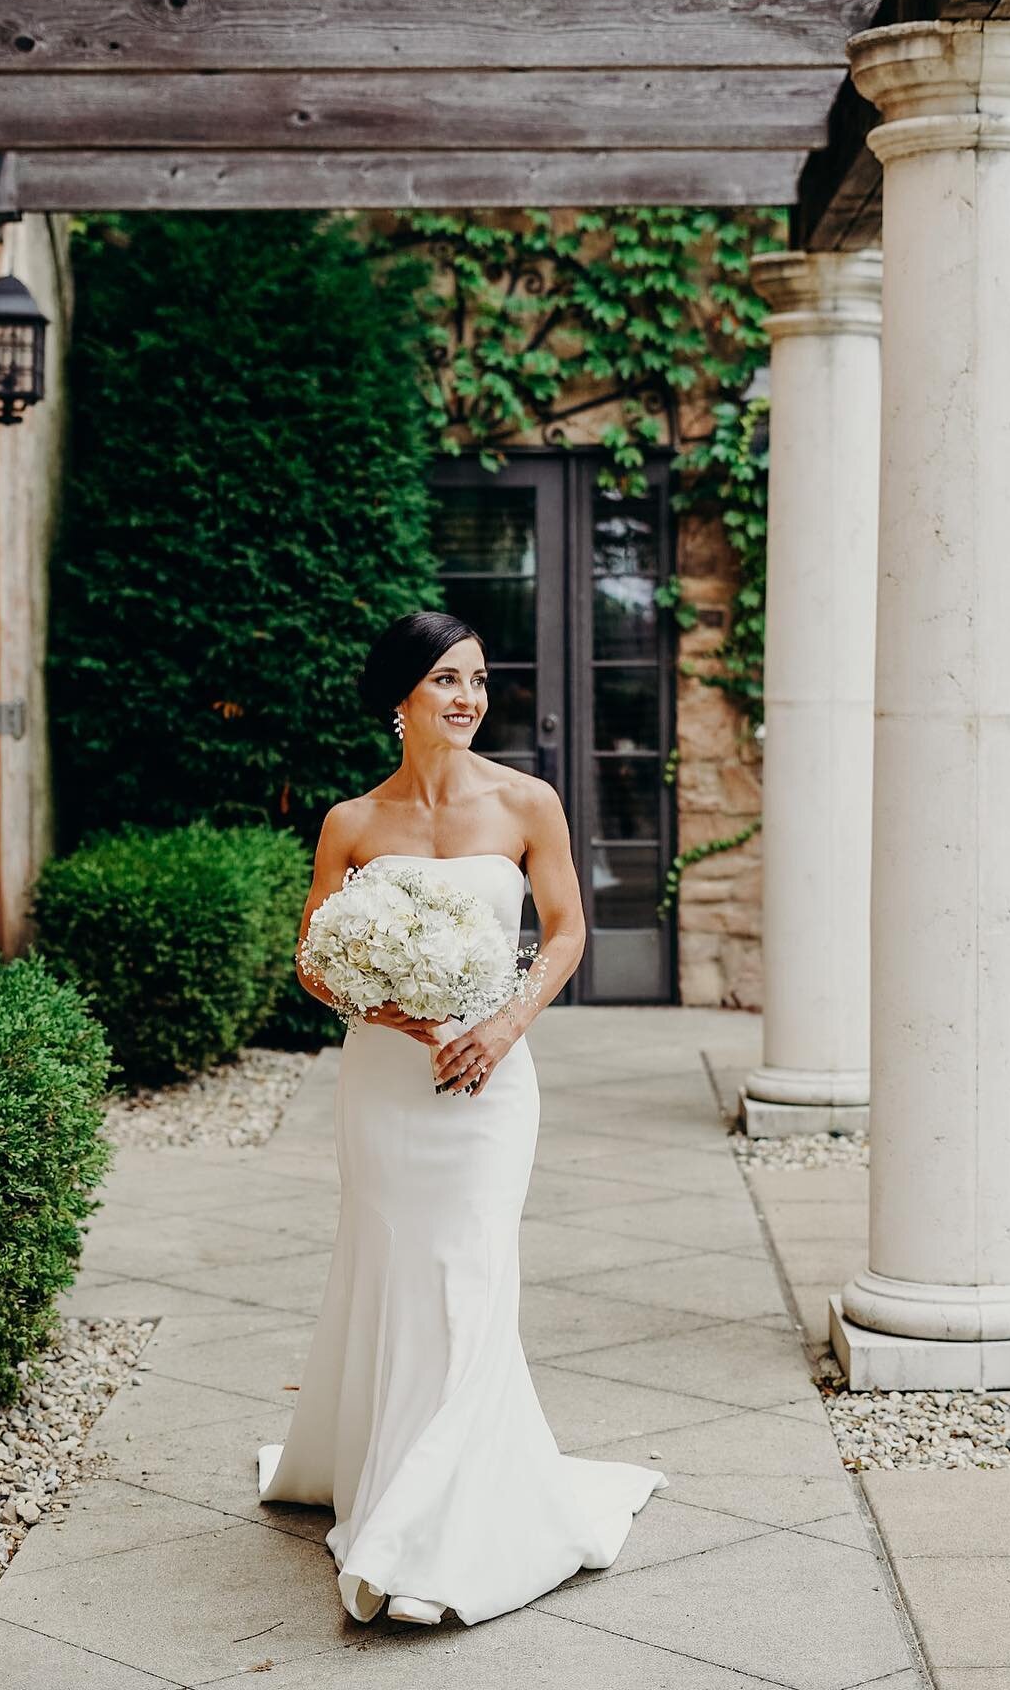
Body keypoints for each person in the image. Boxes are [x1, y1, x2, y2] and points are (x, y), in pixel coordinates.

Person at [255, 609, 667, 1627]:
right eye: (446, 679)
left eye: (478, 679)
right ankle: (393, 1477)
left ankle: (433, 1529)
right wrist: (387, 1008)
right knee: (397, 1268)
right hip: (387, 1082)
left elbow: (567, 930)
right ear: (402, 695)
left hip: (491, 1082)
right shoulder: (351, 823)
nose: (469, 698)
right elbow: (313, 961)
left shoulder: (527, 802)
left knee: (470, 1275)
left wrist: (507, 1023)